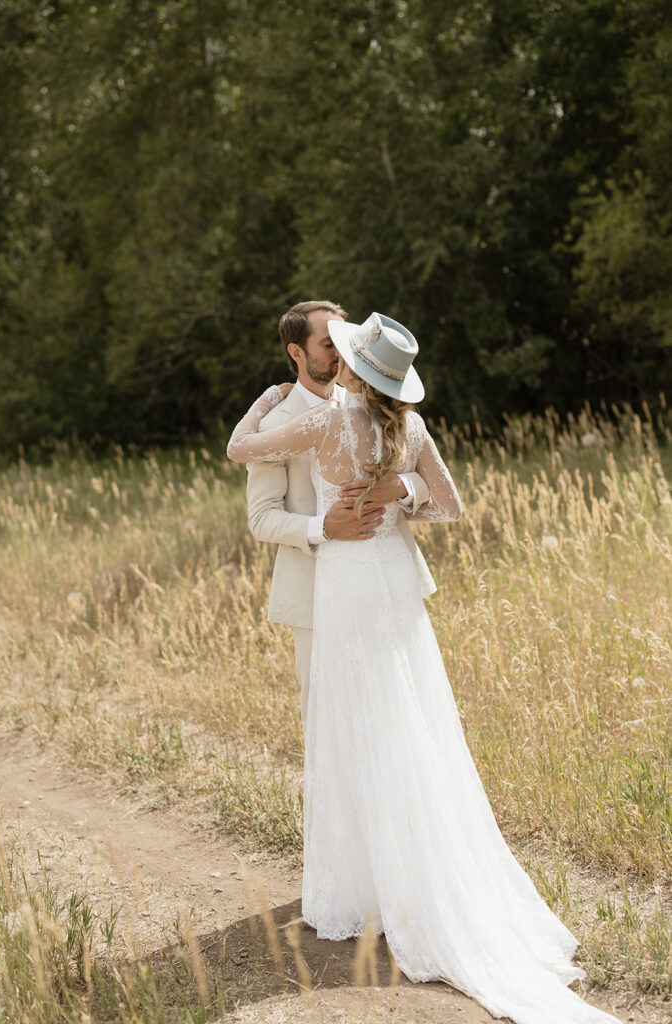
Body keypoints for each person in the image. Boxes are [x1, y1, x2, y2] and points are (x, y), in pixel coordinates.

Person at [227, 311, 623, 1024]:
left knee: (354, 727)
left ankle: (363, 891)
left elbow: (237, 449)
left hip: (349, 583)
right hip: (392, 585)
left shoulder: (322, 424)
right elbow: (451, 503)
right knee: (410, 722)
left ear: (348, 367)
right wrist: (401, 491)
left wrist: (260, 401)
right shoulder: (409, 428)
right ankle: (399, 874)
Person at [245, 300, 438, 737]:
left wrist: (403, 488)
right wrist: (322, 528)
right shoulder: (276, 422)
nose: (342, 354)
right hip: (314, 592)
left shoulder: (377, 403)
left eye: (344, 343)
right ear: (297, 352)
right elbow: (261, 518)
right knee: (328, 721)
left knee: (398, 711)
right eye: (329, 344)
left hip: (386, 585)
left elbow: (429, 483)